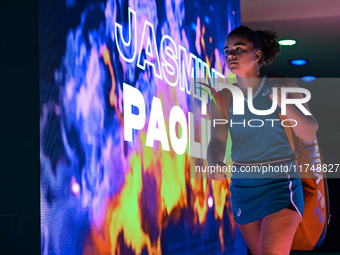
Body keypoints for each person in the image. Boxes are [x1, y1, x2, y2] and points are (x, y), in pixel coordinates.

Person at [207, 26, 319, 255]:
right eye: (227, 50)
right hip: (242, 189)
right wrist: (214, 161)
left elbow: (309, 131)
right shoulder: (222, 98)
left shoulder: (281, 86)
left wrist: (285, 105)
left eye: (238, 49)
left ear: (256, 55)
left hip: (279, 185)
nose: (230, 55)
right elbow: (217, 140)